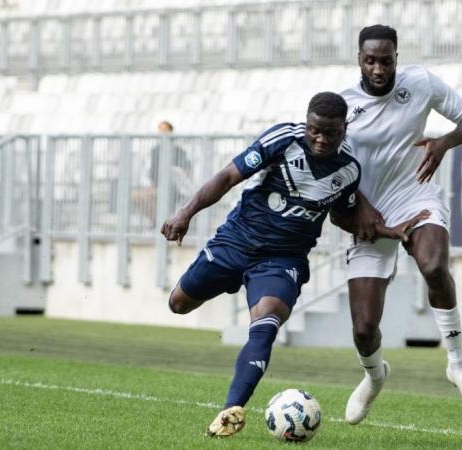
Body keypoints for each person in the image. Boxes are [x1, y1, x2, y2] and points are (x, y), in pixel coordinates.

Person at [160, 92, 429, 437]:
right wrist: (185, 213)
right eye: (315, 130)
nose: (321, 139)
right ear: (307, 123)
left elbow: (343, 215)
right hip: (236, 240)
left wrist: (382, 230)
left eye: (330, 133)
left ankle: (231, 408)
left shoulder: (348, 169)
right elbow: (228, 177)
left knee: (268, 318)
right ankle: (223, 282)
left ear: (344, 129)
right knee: (178, 304)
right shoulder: (283, 139)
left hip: (283, 259)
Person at [334, 25, 462, 425]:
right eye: (371, 60)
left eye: (386, 60)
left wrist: (444, 142)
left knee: (435, 266)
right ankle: (374, 375)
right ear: (359, 59)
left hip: (414, 194)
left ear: (396, 58)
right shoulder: (344, 108)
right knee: (365, 328)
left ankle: (456, 363)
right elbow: (334, 170)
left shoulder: (419, 83)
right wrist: (360, 206)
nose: (379, 68)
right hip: (369, 213)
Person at [132, 120, 190, 221]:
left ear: (171, 132)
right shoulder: (155, 150)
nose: (161, 133)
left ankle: (163, 221)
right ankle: (156, 221)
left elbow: (186, 171)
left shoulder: (179, 151)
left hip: (175, 189)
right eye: (160, 130)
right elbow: (152, 172)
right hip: (157, 186)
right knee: (136, 196)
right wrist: (152, 186)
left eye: (164, 130)